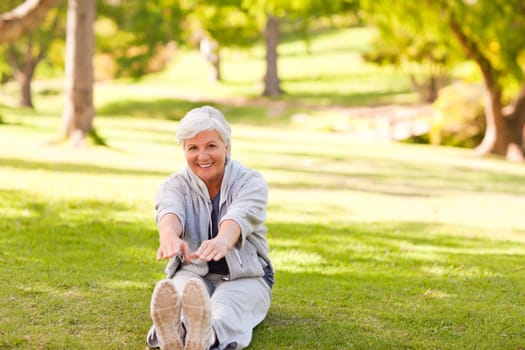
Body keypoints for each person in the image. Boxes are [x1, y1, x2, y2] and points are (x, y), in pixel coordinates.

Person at [146, 106, 274, 350]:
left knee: (227, 307)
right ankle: (175, 332)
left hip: (246, 275)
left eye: (211, 146)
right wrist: (169, 236)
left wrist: (223, 240)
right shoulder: (174, 185)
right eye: (193, 148)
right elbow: (169, 210)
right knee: (182, 295)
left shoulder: (250, 182)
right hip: (192, 271)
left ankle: (206, 336)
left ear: (226, 146)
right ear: (184, 150)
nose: (202, 156)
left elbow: (240, 215)